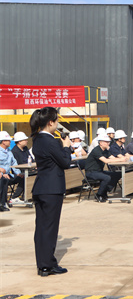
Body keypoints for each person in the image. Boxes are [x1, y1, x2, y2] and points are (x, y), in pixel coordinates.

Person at [29, 107, 72, 276]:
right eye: (57, 121)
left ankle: (42, 263)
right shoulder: (50, 141)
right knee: (50, 228)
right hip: (51, 189)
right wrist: (66, 147)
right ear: (50, 123)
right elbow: (65, 162)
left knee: (41, 228)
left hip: (41, 187)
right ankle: (47, 265)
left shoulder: (37, 139)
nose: (58, 124)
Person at [85, 134, 123, 202]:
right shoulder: (96, 150)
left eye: (108, 142)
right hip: (91, 172)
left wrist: (122, 158)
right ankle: (99, 194)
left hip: (99, 171)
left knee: (118, 174)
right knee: (107, 177)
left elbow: (112, 158)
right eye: (106, 142)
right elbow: (106, 161)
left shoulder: (106, 151)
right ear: (100, 143)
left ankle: (105, 190)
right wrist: (120, 159)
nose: (108, 143)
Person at [0, 131, 23, 209]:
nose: (10, 142)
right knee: (4, 180)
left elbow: (14, 162)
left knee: (23, 178)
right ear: (3, 142)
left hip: (8, 175)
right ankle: (3, 203)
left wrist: (18, 173)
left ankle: (14, 197)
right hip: (2, 175)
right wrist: (2, 172)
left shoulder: (9, 151)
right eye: (8, 140)